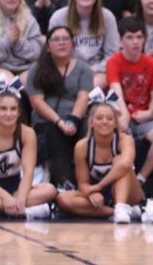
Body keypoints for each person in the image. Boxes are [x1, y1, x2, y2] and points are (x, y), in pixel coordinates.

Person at [0, 83, 56, 219]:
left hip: (16, 188)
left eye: (13, 109)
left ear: (19, 112)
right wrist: (5, 197)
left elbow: (28, 173)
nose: (8, 113)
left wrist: (21, 198)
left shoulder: (27, 133)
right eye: (3, 109)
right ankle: (25, 212)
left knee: (49, 190)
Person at [55, 91, 145, 222]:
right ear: (91, 122)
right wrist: (91, 192)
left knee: (119, 160)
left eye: (109, 119)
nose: (105, 122)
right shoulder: (82, 146)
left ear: (115, 123)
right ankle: (119, 212)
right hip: (101, 197)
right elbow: (83, 184)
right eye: (99, 118)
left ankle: (122, 207)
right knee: (63, 199)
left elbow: (125, 165)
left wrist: (99, 186)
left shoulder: (125, 140)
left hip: (130, 195)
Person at [26, 25, 92, 190]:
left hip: (75, 117)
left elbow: (83, 97)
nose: (61, 43)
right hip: (48, 119)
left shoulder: (83, 68)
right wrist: (60, 122)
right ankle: (64, 182)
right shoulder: (37, 69)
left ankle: (91, 182)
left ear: (73, 44)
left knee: (91, 130)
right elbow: (37, 102)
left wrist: (73, 120)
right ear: (48, 46)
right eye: (56, 39)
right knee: (54, 132)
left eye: (65, 39)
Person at [106, 17, 153, 187]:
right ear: (120, 40)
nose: (135, 42)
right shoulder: (114, 61)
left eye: (139, 37)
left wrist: (150, 113)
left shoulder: (152, 63)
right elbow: (115, 90)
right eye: (130, 37)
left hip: (142, 116)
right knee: (125, 138)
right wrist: (124, 115)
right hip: (121, 113)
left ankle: (141, 179)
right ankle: (127, 180)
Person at [48, 0, 121, 90]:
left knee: (92, 85)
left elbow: (112, 54)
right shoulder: (58, 17)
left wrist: (95, 69)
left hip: (97, 70)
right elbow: (54, 52)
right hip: (66, 68)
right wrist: (72, 69)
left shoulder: (107, 17)